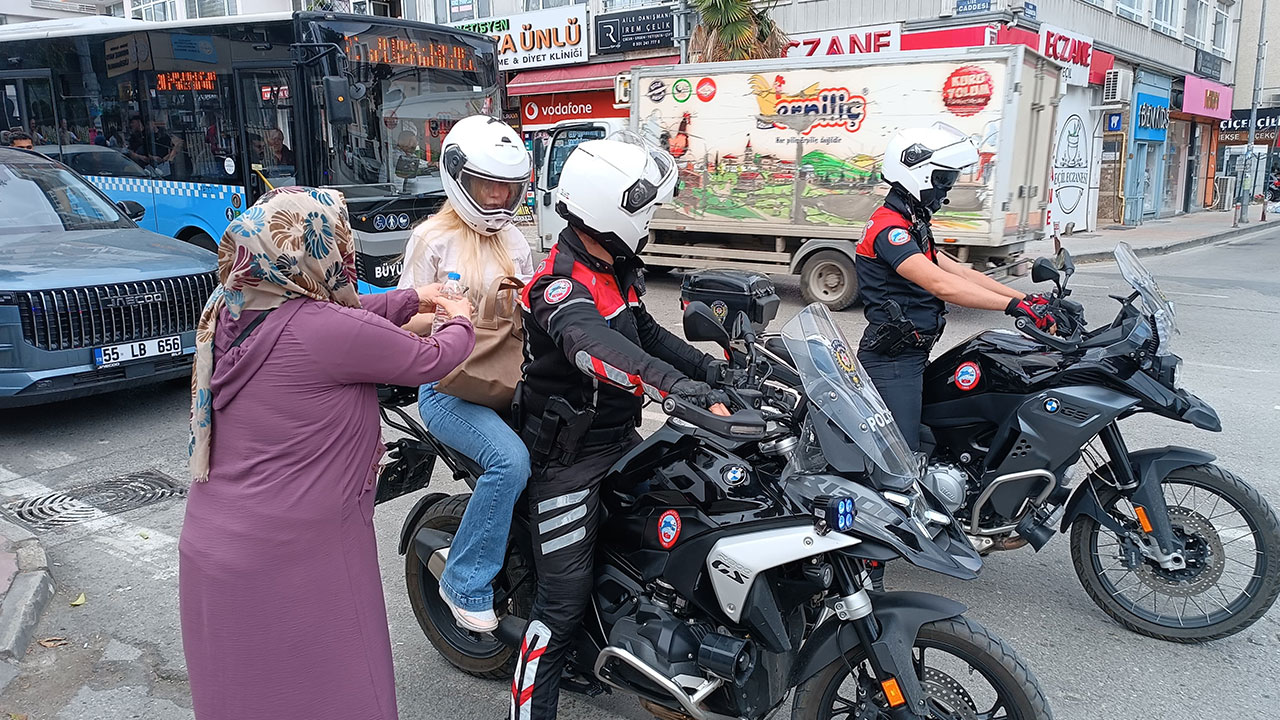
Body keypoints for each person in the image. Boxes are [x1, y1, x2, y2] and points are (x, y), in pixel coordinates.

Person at [179, 185, 476, 720]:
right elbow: (427, 359)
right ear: (314, 251)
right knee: (342, 688)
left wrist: (414, 297)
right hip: (299, 551)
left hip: (215, 545)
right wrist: (458, 316)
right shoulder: (321, 329)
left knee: (248, 696)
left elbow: (350, 313)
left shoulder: (234, 303)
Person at [511, 136, 730, 720]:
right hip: (567, 463)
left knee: (698, 517)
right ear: (611, 209)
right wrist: (671, 386)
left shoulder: (613, 269)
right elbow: (591, 345)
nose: (650, 221)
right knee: (559, 607)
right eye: (645, 210)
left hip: (619, 442)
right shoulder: (558, 285)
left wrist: (712, 371)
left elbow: (645, 335)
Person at [396, 115, 534, 632]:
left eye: (507, 188)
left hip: (507, 379)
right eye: (486, 186)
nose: (498, 198)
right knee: (509, 462)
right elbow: (405, 319)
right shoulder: (431, 239)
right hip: (448, 386)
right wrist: (453, 315)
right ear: (458, 178)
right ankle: (464, 581)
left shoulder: (515, 241)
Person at [855, 123, 1054, 451]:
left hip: (913, 354)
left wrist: (1026, 299)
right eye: (943, 180)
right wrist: (1012, 307)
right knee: (899, 459)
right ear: (918, 174)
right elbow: (941, 284)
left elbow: (960, 273)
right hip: (893, 362)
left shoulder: (912, 223)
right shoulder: (889, 230)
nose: (945, 190)